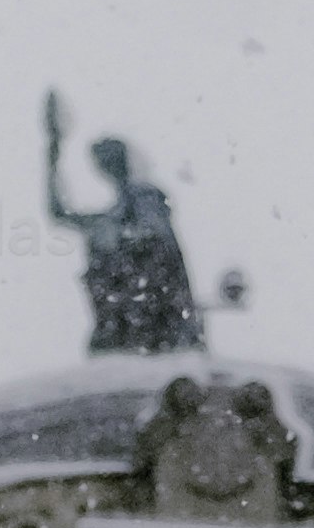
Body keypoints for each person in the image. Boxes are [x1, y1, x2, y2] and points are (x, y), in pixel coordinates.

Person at [41, 93, 208, 355]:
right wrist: (52, 152)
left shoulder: (146, 198)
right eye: (103, 161)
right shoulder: (109, 218)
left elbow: (152, 236)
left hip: (156, 320)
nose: (107, 167)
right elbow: (59, 212)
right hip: (121, 321)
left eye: (109, 159)